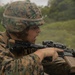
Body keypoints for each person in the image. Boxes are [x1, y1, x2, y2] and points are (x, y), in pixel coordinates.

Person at [0, 1, 70, 75]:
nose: (39, 30)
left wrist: (70, 66)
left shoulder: (25, 47)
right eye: (34, 27)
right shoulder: (2, 44)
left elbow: (54, 67)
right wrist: (42, 53)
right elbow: (7, 71)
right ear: (19, 28)